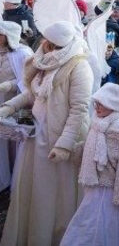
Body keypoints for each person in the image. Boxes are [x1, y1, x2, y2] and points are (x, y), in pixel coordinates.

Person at [0, 21, 93, 246]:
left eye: (51, 43)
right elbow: (33, 94)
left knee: (58, 195)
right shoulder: (42, 60)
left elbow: (79, 109)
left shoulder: (78, 66)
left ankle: (57, 238)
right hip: (37, 136)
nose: (45, 45)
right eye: (45, 41)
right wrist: (10, 106)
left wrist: (64, 144)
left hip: (61, 139)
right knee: (37, 191)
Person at [60, 84, 119, 246]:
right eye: (96, 103)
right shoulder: (98, 122)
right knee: (89, 221)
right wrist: (72, 152)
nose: (97, 107)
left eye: (102, 103)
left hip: (111, 190)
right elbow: (88, 146)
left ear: (114, 105)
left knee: (105, 223)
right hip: (94, 185)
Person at [0, 21, 33, 191]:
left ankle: (14, 176)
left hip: (15, 102)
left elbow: (27, 80)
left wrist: (9, 85)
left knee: (12, 141)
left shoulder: (23, 53)